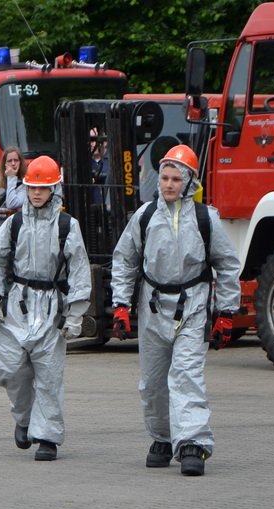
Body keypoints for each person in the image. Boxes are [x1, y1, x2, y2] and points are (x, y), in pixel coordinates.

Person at [110, 144, 240, 477]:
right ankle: (162, 439)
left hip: (192, 306)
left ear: (189, 182)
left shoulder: (204, 219)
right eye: (164, 177)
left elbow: (226, 264)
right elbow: (125, 260)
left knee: (186, 375)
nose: (168, 184)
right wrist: (121, 305)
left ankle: (193, 444)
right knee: (153, 383)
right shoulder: (145, 216)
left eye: (175, 179)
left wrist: (226, 311)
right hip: (153, 307)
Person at [0, 156, 92, 462]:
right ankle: (25, 419)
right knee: (10, 368)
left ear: (54, 189)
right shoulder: (14, 222)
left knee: (49, 374)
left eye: (42, 189)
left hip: (50, 306)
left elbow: (80, 270)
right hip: (18, 303)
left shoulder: (67, 226)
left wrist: (75, 314)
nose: (36, 194)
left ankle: (47, 437)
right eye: (31, 188)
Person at [0, 147, 28, 211]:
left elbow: (12, 204)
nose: (13, 163)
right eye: (9, 161)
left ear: (20, 163)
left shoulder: (25, 183)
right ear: (5, 164)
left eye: (16, 160)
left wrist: (11, 177)